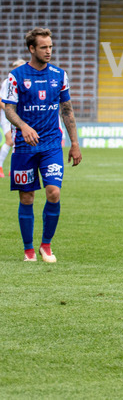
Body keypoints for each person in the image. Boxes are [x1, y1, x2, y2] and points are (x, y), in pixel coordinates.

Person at [1, 29, 82, 262]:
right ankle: (28, 250)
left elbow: (67, 110)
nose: (49, 51)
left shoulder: (59, 75)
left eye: (51, 47)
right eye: (44, 47)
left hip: (51, 145)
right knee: (27, 198)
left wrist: (75, 143)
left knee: (54, 192)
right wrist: (24, 127)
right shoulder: (16, 76)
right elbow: (8, 109)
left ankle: (46, 245)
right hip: (24, 147)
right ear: (32, 49)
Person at [0, 60, 26, 178]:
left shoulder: (26, 81)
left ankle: (14, 169)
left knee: (18, 142)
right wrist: (9, 111)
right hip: (7, 115)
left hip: (20, 116)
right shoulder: (8, 82)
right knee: (10, 140)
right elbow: (1, 100)